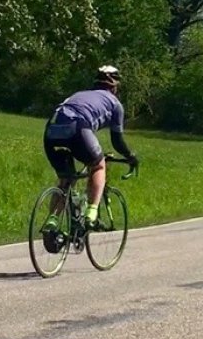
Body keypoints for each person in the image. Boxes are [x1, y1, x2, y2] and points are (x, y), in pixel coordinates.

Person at [42, 65, 139, 235]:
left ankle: (52, 220)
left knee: (67, 178)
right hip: (78, 127)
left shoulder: (80, 94)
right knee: (98, 165)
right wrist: (130, 156)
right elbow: (117, 141)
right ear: (115, 87)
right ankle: (91, 213)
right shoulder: (115, 104)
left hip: (51, 129)